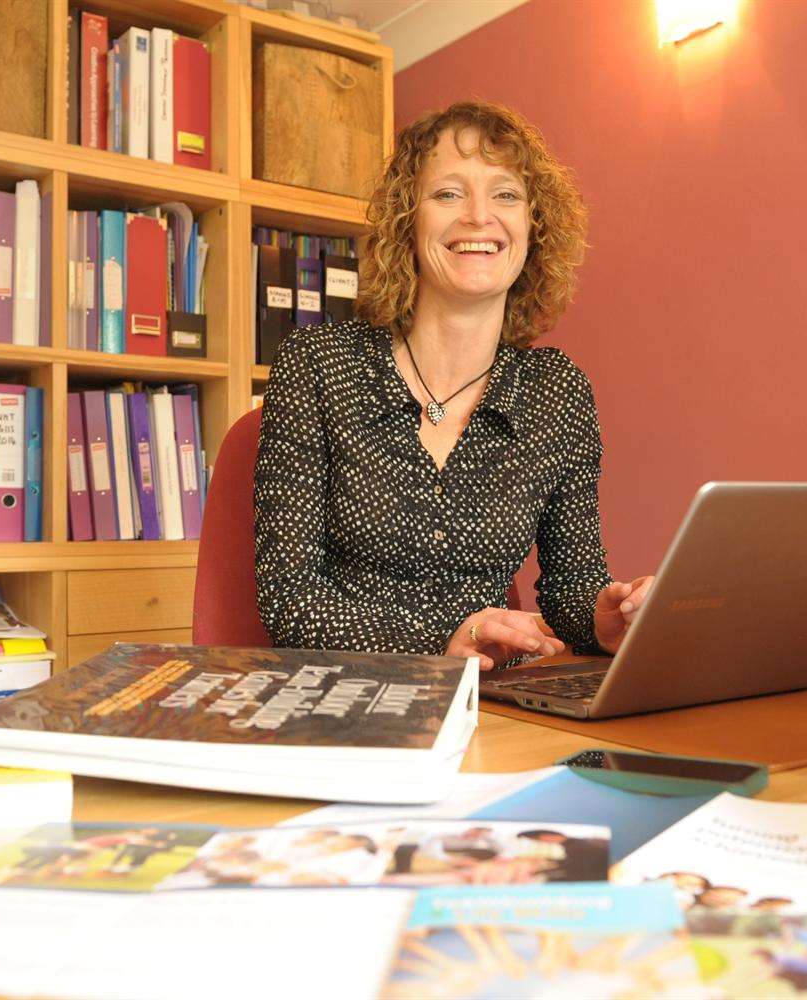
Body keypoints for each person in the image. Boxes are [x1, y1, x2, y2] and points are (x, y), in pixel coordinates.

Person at [254, 101, 652, 670]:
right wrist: (444, 639)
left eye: (506, 195)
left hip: (492, 706)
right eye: (448, 194)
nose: (478, 217)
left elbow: (570, 587)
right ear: (406, 221)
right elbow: (291, 601)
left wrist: (604, 618)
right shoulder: (316, 364)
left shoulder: (556, 391)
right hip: (343, 697)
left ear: (533, 228)